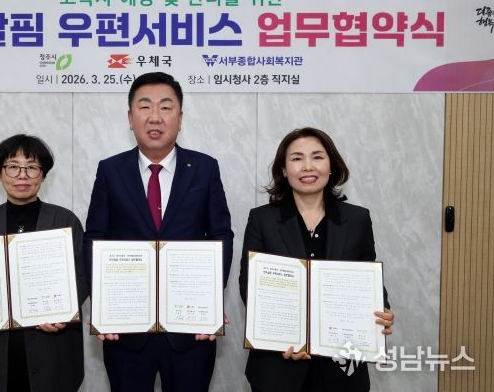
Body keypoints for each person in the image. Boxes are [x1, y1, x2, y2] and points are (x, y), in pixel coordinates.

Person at [84, 72, 234, 392]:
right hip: (126, 329)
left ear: (180, 118)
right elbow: (95, 237)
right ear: (130, 118)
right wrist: (102, 307)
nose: (155, 117)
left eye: (166, 107)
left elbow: (221, 235)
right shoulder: (110, 170)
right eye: (145, 107)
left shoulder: (205, 168)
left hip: (189, 331)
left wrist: (209, 302)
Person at [238, 127, 394, 392]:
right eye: (297, 158)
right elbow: (250, 287)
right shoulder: (262, 219)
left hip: (342, 368)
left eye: (317, 157)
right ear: (284, 170)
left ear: (331, 166)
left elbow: (368, 279)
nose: (308, 166)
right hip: (278, 366)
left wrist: (383, 311)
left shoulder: (357, 219)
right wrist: (280, 338)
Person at [0, 134, 87, 392]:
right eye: (13, 166)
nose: (22, 175)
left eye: (32, 167)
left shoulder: (65, 221)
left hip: (52, 348)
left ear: (43, 174)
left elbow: (82, 277)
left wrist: (63, 312)